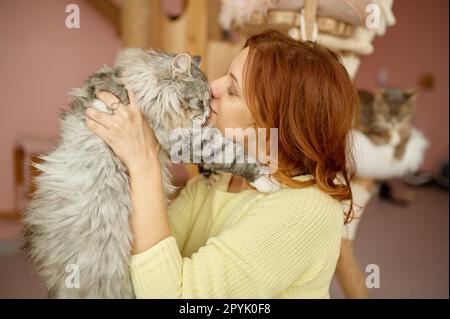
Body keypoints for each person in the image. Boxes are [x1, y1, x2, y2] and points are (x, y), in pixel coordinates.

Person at [84, 30, 358, 298]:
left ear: (273, 124)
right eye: (225, 74)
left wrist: (143, 163)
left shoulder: (306, 210)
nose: (212, 86)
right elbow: (140, 262)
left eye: (233, 90)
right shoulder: (221, 177)